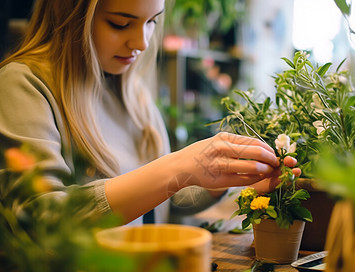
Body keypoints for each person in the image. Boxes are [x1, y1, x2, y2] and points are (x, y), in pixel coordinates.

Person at [0, 0, 299, 225]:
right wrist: (177, 167)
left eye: (152, 21)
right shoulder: (22, 85)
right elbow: (37, 219)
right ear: (71, 15)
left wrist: (225, 181)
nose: (141, 43)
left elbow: (157, 203)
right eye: (120, 23)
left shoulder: (133, 95)